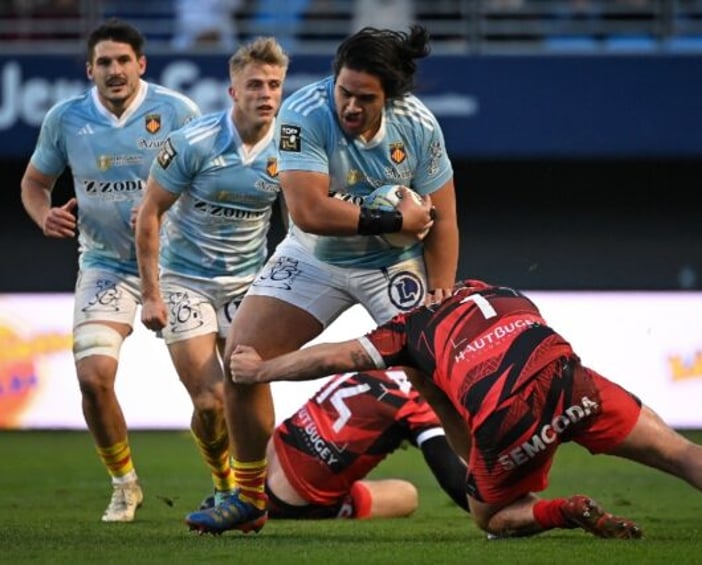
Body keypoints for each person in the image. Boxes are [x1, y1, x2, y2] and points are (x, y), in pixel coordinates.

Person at [225, 279, 702, 539]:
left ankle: (563, 509)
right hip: (569, 375)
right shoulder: (503, 290)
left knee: (489, 518)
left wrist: (262, 369)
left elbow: (334, 358)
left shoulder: (405, 332)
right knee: (677, 450)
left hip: (505, 412)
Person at [185, 24, 459, 533]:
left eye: (365, 98)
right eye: (344, 92)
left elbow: (444, 220)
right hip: (315, 257)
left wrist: (440, 293)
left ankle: (491, 488)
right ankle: (249, 497)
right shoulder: (303, 115)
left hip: (392, 267)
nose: (350, 107)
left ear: (390, 98)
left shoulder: (419, 126)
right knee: (243, 360)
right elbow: (308, 211)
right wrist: (396, 221)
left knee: (438, 373)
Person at [19, 19, 201, 522]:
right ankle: (125, 485)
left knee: (207, 395)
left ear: (141, 65)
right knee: (93, 379)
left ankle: (231, 484)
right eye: (104, 62)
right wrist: (43, 214)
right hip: (105, 265)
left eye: (124, 61)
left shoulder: (177, 112)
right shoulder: (65, 118)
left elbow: (207, 177)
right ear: (90, 70)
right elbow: (34, 183)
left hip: (176, 266)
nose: (115, 70)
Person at [134, 36, 289, 509]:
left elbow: (305, 215)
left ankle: (250, 492)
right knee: (210, 402)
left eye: (274, 85)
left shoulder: (292, 144)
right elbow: (148, 214)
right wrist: (150, 293)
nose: (266, 94)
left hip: (249, 284)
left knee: (250, 390)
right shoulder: (191, 143)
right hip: (186, 282)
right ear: (232, 91)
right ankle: (225, 486)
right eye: (255, 85)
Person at [261, 369, 468, 523]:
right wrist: (494, 508)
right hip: (293, 499)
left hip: (266, 460)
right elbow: (453, 480)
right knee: (406, 495)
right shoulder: (417, 401)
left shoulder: (385, 358)